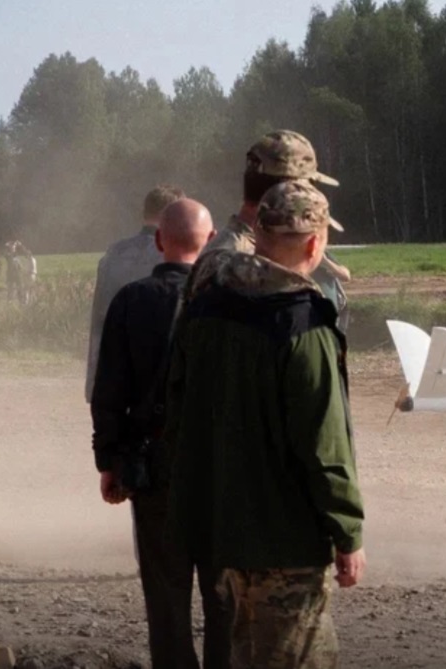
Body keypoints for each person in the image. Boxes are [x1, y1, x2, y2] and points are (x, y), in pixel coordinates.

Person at [166, 180, 364, 669]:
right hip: (288, 541)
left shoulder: (207, 308)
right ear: (315, 245)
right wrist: (347, 532)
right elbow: (324, 447)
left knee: (247, 652)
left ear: (257, 235)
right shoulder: (305, 326)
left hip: (226, 532)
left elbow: (179, 404)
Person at [91, 198, 218, 669]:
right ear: (211, 241)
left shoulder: (131, 301)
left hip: (153, 464)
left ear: (159, 240)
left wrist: (109, 462)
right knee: (223, 593)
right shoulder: (230, 303)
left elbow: (109, 393)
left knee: (165, 596)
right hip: (219, 466)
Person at [205, 130, 352, 327]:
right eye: (308, 186)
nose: (312, 195)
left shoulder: (225, 252)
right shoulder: (244, 264)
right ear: (288, 190)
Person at [87, 185, 184, 403]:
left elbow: (99, 318)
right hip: (157, 381)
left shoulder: (114, 253)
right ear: (171, 215)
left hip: (114, 373)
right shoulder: (172, 254)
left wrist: (95, 382)